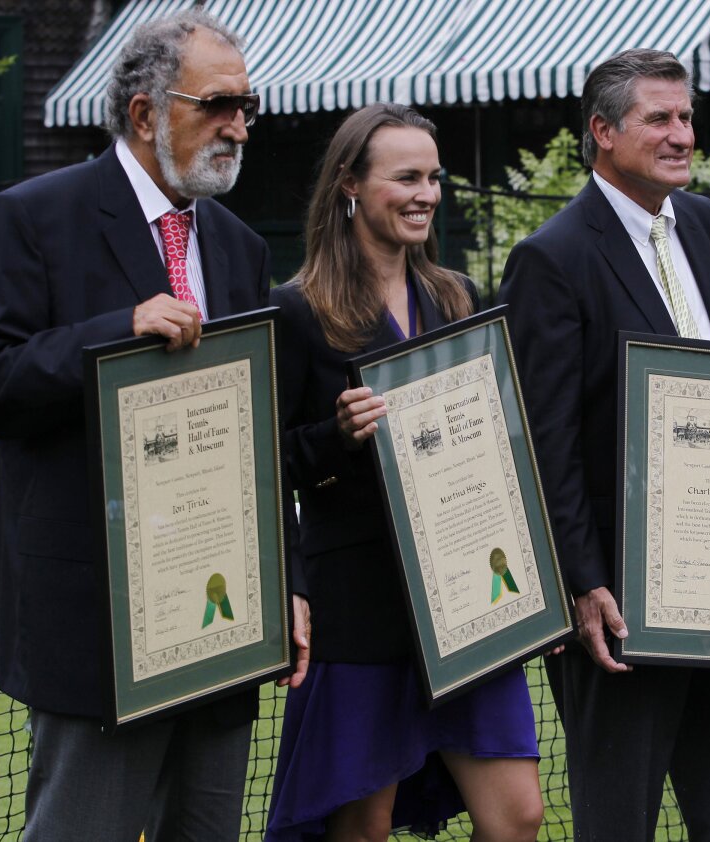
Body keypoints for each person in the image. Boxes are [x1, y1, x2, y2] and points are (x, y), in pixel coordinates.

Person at [0, 10, 309, 841]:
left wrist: (287, 580)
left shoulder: (239, 246)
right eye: (218, 104)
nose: (239, 126)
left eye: (247, 105)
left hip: (221, 625)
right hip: (93, 630)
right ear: (144, 113)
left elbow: (263, 438)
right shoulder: (34, 215)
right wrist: (115, 333)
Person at [498, 49, 710, 841]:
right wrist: (582, 581)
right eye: (660, 119)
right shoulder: (549, 258)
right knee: (619, 812)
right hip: (620, 604)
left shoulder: (700, 223)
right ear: (602, 132)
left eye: (687, 117)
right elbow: (544, 439)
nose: (682, 135)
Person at [264, 103, 544, 842]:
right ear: (350, 185)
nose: (426, 193)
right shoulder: (296, 313)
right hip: (360, 601)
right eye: (406, 177)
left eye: (434, 177)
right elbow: (267, 464)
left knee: (518, 816)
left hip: (464, 596)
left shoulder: (457, 297)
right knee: (364, 824)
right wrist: (338, 434)